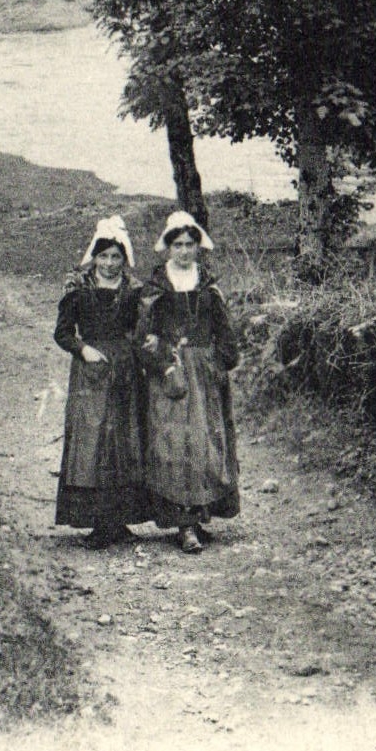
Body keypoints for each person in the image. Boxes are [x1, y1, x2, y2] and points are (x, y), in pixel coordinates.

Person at [137, 210, 240, 554]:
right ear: (168, 248)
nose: (184, 251)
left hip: (204, 374)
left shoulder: (207, 285)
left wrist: (222, 361)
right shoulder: (156, 287)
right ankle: (183, 523)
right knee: (173, 442)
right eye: (178, 245)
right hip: (172, 372)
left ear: (198, 246)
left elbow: (224, 328)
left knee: (204, 442)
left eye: (189, 244)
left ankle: (199, 515)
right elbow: (144, 334)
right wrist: (162, 363)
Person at [53, 215, 149, 549]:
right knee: (93, 441)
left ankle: (119, 521)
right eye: (103, 256)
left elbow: (141, 329)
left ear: (124, 259)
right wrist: (83, 349)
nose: (109, 264)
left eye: (115, 257)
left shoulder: (133, 290)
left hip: (124, 371)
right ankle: (98, 523)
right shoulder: (78, 288)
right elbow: (62, 333)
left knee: (123, 441)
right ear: (94, 257)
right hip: (91, 372)